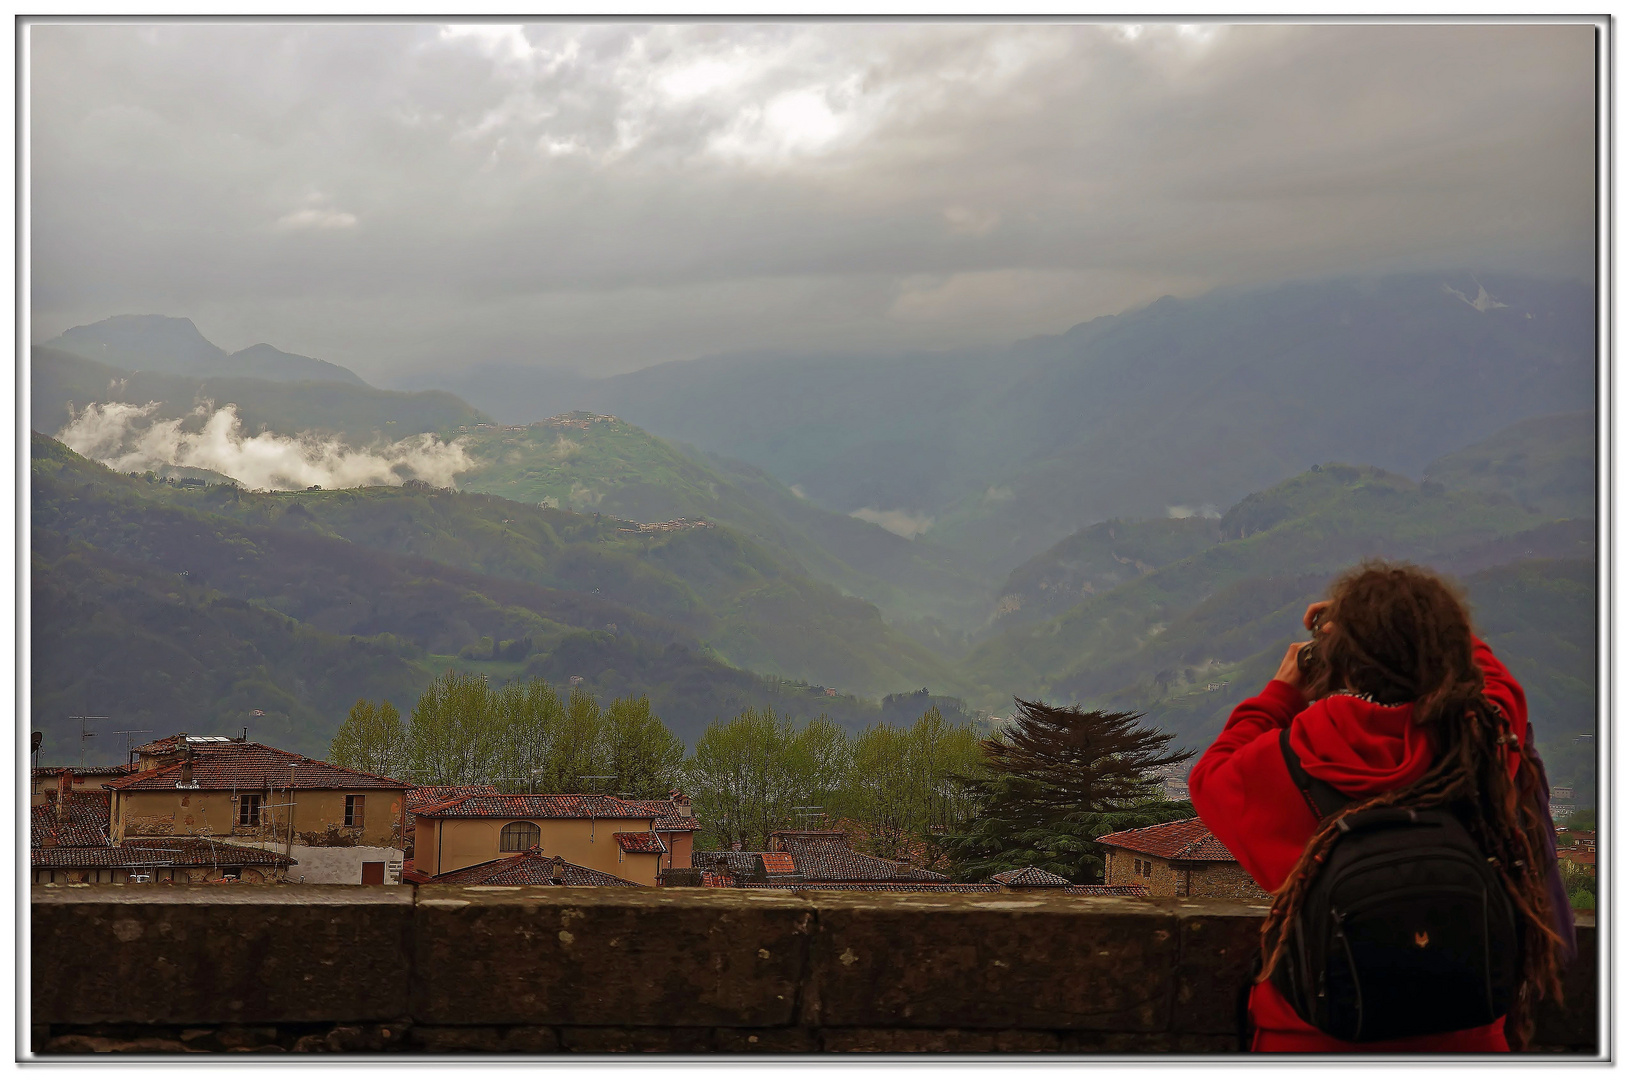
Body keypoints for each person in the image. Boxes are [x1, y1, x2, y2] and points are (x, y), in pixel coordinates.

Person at [1190, 560, 1569, 1053]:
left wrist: (1282, 692)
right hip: (1466, 1043)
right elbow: (1498, 684)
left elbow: (1210, 776)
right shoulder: (1478, 741)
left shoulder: (1285, 762)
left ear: (1340, 661)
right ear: (1447, 654)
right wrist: (1422, 625)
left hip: (1310, 1042)